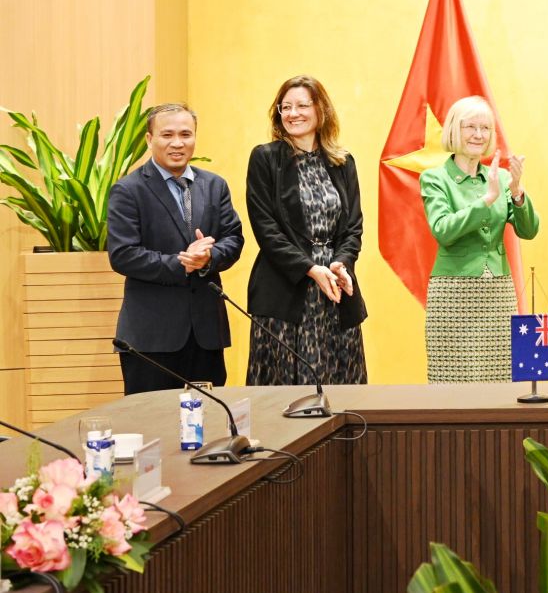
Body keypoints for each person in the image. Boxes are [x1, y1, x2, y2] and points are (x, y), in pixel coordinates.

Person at [107, 103, 244, 394]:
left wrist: (208, 257)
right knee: (152, 418)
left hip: (206, 334)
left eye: (185, 134)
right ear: (150, 139)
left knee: (209, 417)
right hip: (151, 337)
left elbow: (233, 238)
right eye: (167, 135)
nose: (177, 143)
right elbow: (123, 255)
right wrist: (182, 262)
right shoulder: (128, 190)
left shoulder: (214, 185)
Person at [243, 75, 368, 386]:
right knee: (285, 393)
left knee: (340, 391)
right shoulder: (265, 158)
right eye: (285, 107)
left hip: (335, 291)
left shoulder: (343, 162)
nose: (293, 113)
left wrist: (341, 264)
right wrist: (310, 269)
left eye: (301, 105)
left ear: (320, 110)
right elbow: (266, 229)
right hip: (285, 291)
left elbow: (353, 226)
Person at [419, 95, 540, 383]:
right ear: (454, 130)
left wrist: (517, 192)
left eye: (485, 128)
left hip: (498, 294)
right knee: (453, 383)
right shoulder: (435, 179)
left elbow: (529, 231)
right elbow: (443, 230)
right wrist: (486, 200)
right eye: (470, 127)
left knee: (501, 381)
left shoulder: (500, 177)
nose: (478, 134)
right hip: (452, 294)